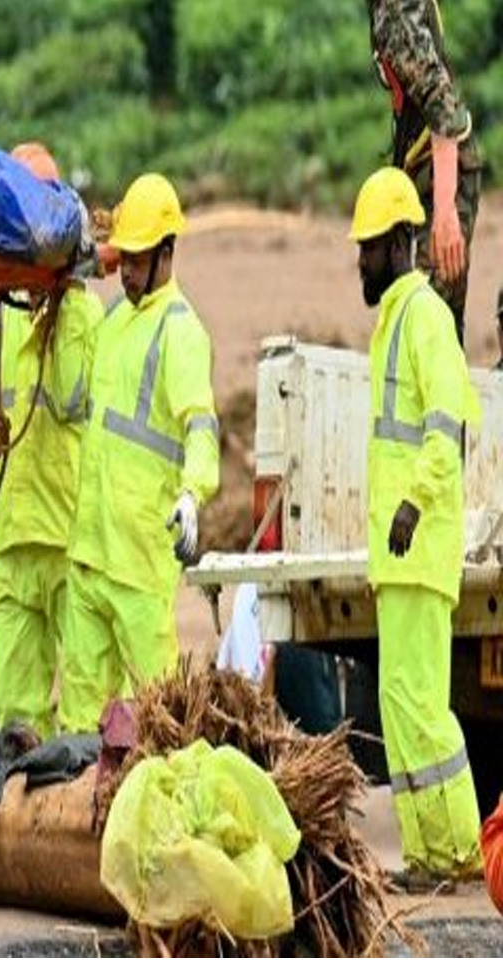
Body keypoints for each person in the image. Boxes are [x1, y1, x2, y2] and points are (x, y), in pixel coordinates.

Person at [0, 143, 105, 738]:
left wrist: (55, 304)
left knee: (85, 706)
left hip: (66, 534)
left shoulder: (84, 317)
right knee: (15, 712)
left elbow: (69, 393)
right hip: (11, 535)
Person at [350, 165, 482, 890]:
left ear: (402, 242)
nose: (360, 261)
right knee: (400, 709)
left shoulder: (425, 316)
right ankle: (430, 855)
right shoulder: (395, 318)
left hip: (419, 545)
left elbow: (447, 426)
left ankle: (461, 850)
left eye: (369, 247)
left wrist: (413, 502)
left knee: (423, 708)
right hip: (397, 556)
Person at [64, 173, 220, 730]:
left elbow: (200, 424)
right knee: (80, 718)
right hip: (90, 551)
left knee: (153, 715)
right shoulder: (113, 321)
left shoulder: (181, 331)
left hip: (138, 560)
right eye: (123, 259)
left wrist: (192, 493)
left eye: (137, 260)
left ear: (167, 253)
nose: (126, 272)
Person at [367, 0, 482, 344]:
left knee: (432, 322)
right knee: (419, 317)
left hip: (443, 172)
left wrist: (446, 212)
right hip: (420, 166)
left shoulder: (396, 10)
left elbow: (444, 110)